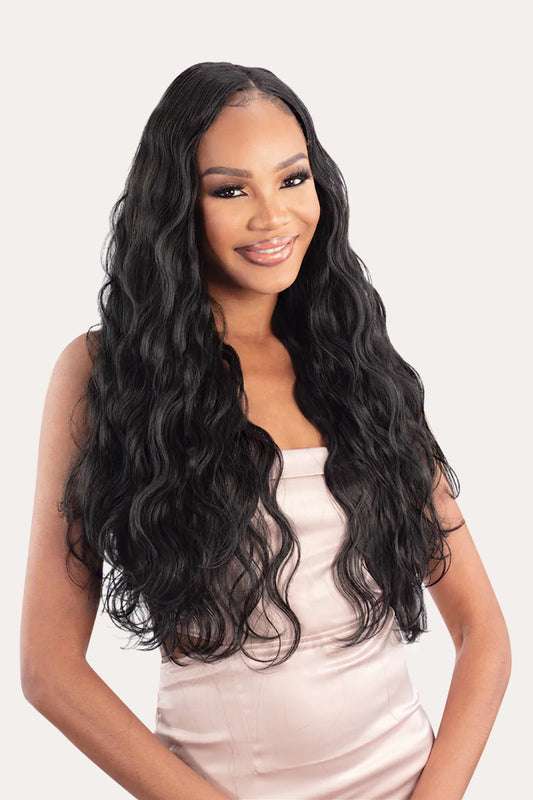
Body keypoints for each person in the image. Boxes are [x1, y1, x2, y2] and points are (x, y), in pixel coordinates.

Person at [20, 62, 511, 800]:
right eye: (230, 190)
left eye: (291, 179)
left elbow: (482, 632)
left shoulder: (360, 362)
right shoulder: (105, 373)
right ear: (176, 204)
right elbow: (49, 671)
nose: (273, 217)